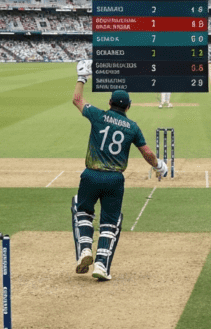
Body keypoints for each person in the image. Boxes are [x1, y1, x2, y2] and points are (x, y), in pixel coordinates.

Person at [70, 59, 167, 281]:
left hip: (91, 174)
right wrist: (159, 166)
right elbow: (147, 153)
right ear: (128, 106)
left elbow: (77, 100)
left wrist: (82, 77)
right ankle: (101, 266)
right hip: (114, 179)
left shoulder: (98, 115)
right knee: (109, 223)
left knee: (83, 211)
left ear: (109, 102)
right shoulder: (132, 127)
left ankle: (85, 249)